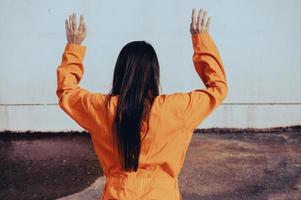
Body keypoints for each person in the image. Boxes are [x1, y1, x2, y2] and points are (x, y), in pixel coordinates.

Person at [56, 7, 228, 200]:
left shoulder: (102, 108)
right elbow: (218, 87)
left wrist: (74, 46)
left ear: (120, 72)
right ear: (155, 73)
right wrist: (201, 39)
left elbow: (67, 91)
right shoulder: (175, 108)